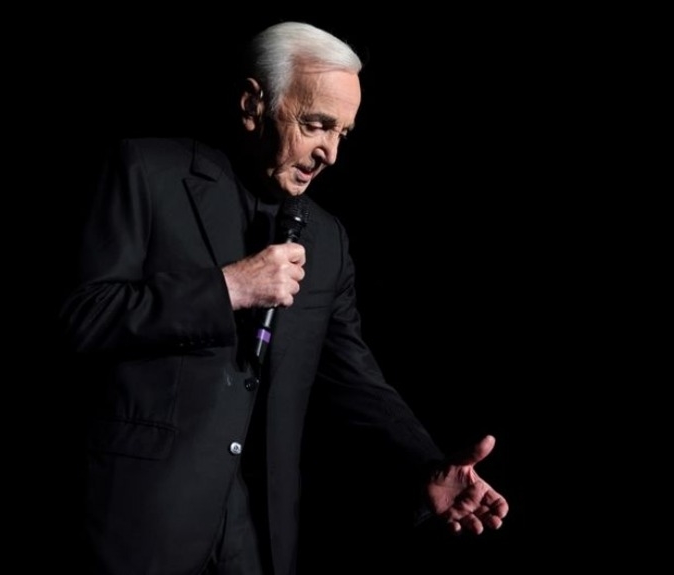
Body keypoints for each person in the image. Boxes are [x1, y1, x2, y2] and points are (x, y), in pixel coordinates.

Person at [59, 21, 508, 575]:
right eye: (316, 125)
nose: (330, 153)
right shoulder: (147, 172)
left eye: (343, 133)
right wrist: (228, 288)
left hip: (259, 539)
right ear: (253, 104)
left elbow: (355, 378)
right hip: (137, 524)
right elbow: (81, 317)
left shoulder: (328, 240)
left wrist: (427, 465)